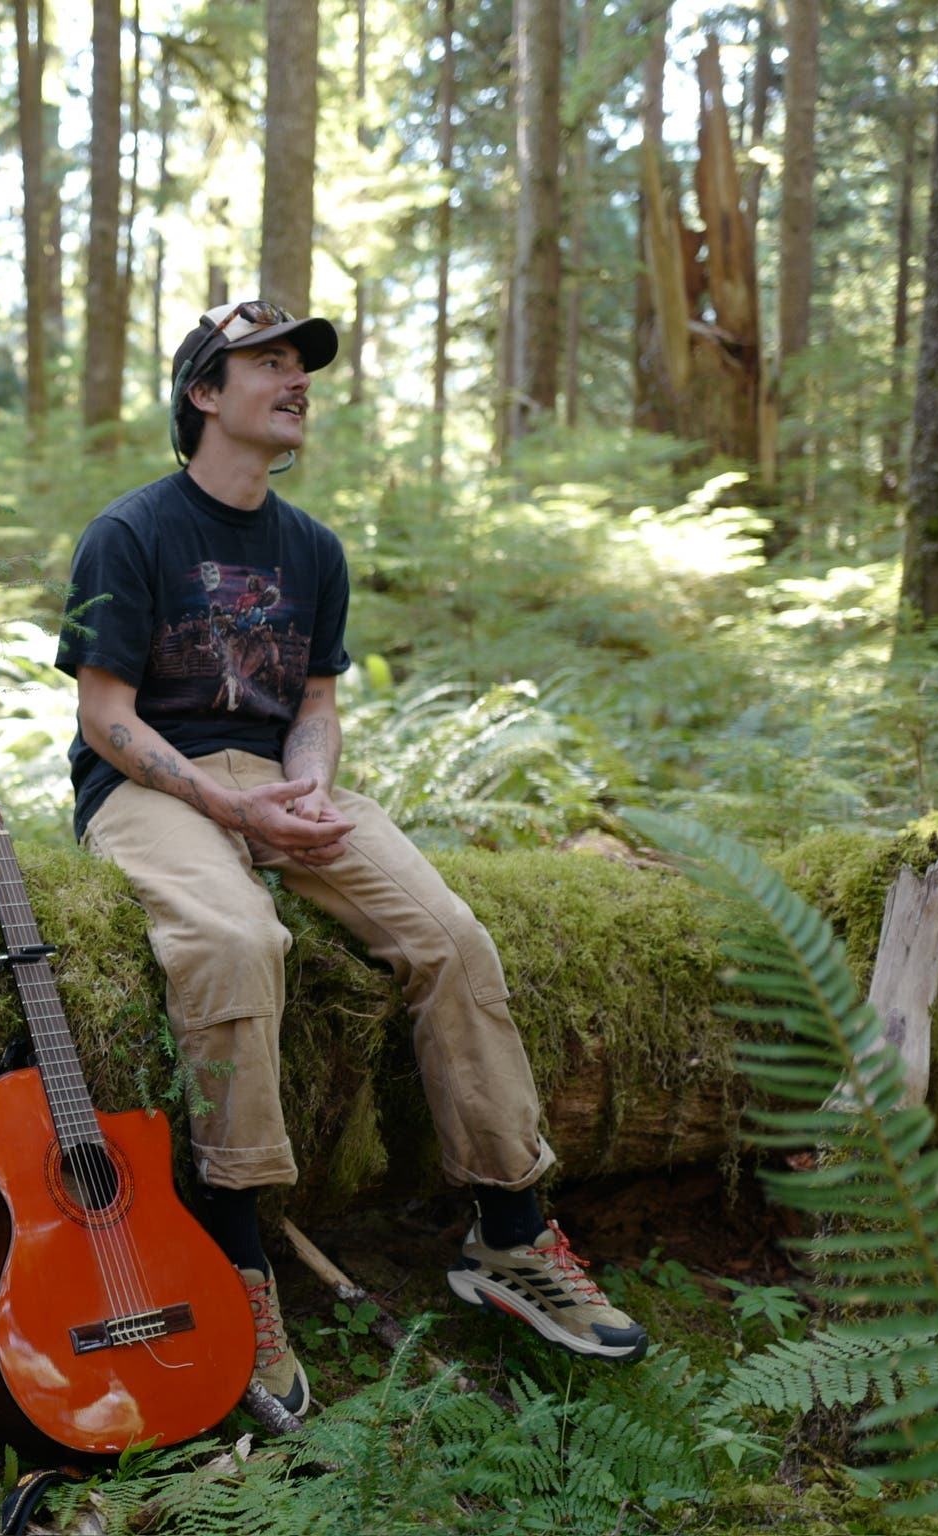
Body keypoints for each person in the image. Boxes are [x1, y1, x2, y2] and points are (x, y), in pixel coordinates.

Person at [53, 300, 649, 1409]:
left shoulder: (311, 548)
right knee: (236, 939)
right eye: (266, 365)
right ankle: (237, 1256)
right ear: (203, 396)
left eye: (302, 366)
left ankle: (511, 1232)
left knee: (453, 938)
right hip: (152, 787)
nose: (295, 382)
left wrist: (312, 783)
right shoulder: (129, 532)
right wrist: (229, 812)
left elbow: (315, 705)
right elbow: (108, 720)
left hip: (280, 780)